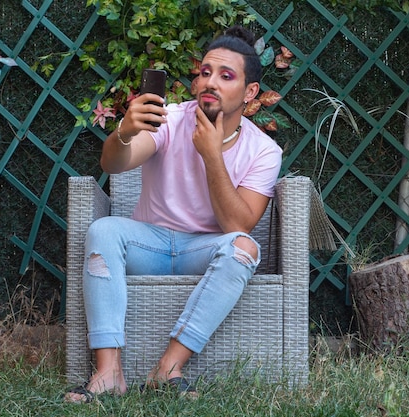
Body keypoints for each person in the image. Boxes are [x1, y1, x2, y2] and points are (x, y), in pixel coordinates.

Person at [64, 25, 283, 403]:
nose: (210, 82)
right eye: (205, 72)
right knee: (104, 231)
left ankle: (168, 368)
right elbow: (114, 164)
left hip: (205, 248)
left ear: (250, 93)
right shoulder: (171, 119)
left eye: (226, 76)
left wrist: (212, 155)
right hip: (148, 243)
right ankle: (108, 373)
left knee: (244, 248)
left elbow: (238, 225)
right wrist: (124, 134)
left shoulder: (264, 151)